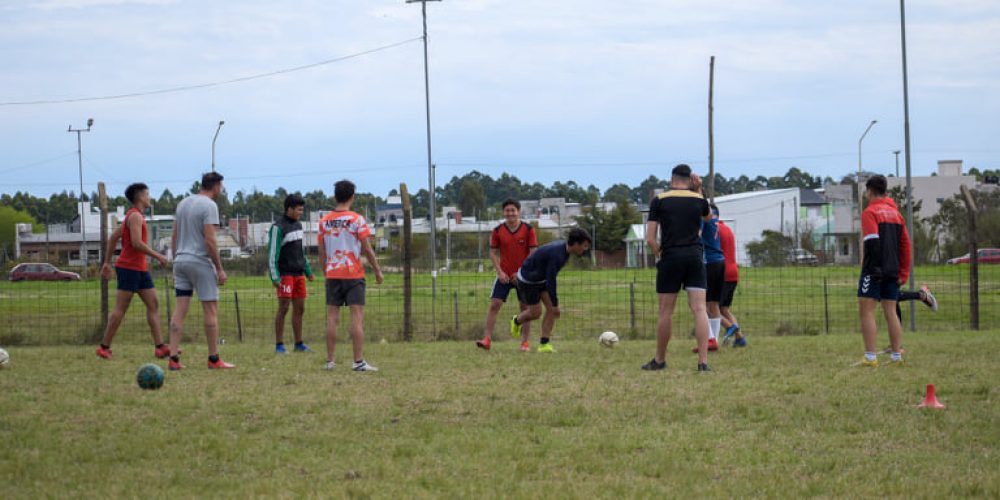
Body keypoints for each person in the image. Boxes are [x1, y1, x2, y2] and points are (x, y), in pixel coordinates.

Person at [642, 164, 713, 372]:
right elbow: (708, 218)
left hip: (671, 257)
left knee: (665, 312)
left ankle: (660, 360)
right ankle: (703, 362)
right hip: (694, 257)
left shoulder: (660, 200)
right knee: (700, 310)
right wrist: (698, 190)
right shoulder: (699, 199)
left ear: (672, 178)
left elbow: (650, 239)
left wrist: (659, 254)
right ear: (690, 179)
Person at [167, 172, 234, 370]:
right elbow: (210, 240)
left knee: (179, 310)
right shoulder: (209, 205)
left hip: (180, 261)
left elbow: (174, 235)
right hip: (200, 262)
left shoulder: (183, 203)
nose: (221, 190)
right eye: (220, 186)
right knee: (210, 310)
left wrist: (175, 260)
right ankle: (214, 359)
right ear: (214, 186)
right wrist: (220, 269)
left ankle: (173, 358)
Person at [95, 183, 171, 360]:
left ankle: (160, 347)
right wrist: (158, 256)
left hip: (140, 268)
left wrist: (107, 263)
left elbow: (114, 237)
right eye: (147, 194)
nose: (149, 197)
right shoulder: (135, 217)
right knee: (121, 308)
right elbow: (136, 243)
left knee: (153, 304)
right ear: (139, 197)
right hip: (129, 268)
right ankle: (104, 347)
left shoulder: (133, 216)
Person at [318, 180, 384, 372]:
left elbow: (321, 252)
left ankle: (330, 361)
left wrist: (325, 271)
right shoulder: (357, 220)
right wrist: (377, 270)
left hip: (332, 273)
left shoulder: (324, 222)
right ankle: (358, 361)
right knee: (356, 317)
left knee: (332, 318)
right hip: (353, 274)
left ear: (334, 196)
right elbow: (367, 249)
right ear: (352, 197)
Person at [857, 174, 911, 367]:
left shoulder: (870, 212)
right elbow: (906, 245)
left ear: (870, 191)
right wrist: (903, 273)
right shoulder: (897, 214)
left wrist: (874, 269)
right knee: (891, 311)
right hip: (893, 270)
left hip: (874, 270)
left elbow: (872, 242)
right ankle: (896, 356)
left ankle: (871, 357)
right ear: (885, 191)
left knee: (866, 311)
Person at [510, 228, 592, 353]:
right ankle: (516, 321)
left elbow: (548, 278)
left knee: (551, 310)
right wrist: (555, 304)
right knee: (536, 313)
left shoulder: (565, 251)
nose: (585, 249)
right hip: (528, 280)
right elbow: (551, 280)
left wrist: (554, 305)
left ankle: (544, 344)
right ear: (576, 244)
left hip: (541, 278)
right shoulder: (557, 255)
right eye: (584, 246)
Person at [476, 198, 538, 352]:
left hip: (523, 276)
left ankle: (524, 343)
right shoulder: (497, 231)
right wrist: (500, 272)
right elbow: (492, 253)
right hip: (503, 275)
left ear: (519, 212)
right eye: (507, 210)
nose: (510, 213)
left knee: (526, 308)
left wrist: (522, 272)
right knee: (494, 305)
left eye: (513, 210)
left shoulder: (529, 230)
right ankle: (487, 339)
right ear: (503, 212)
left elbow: (533, 254)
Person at [268, 194, 316, 354]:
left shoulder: (299, 226)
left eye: (302, 210)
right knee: (284, 307)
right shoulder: (277, 227)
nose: (300, 213)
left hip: (299, 274)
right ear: (289, 209)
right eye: (298, 210)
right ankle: (279, 345)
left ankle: (299, 344)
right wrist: (274, 276)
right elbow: (272, 253)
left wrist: (308, 271)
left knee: (300, 309)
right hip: (285, 274)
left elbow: (300, 252)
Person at [693, 204, 724, 353]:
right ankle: (714, 341)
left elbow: (696, 235)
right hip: (720, 261)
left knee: (699, 304)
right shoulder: (715, 212)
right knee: (714, 304)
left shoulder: (702, 214)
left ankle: (709, 339)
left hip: (708, 262)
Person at [717, 209, 746, 347]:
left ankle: (729, 327)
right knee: (724, 309)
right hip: (733, 272)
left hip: (722, 273)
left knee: (710, 308)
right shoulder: (727, 229)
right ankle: (740, 338)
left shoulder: (714, 229)